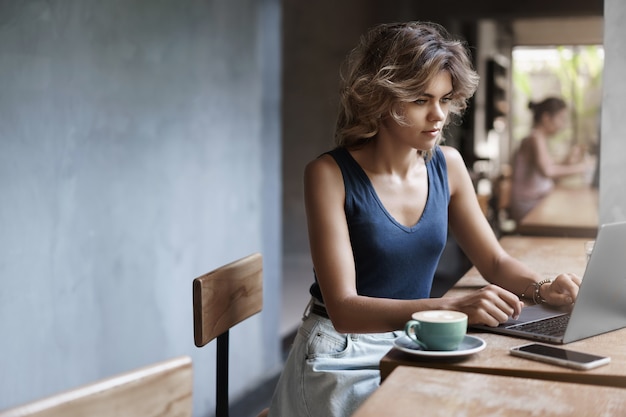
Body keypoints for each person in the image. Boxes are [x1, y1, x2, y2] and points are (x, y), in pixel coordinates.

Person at [267, 22, 581, 417]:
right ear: (381, 99)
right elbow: (344, 308)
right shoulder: (328, 175)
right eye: (420, 100)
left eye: (445, 99)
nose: (438, 115)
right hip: (342, 351)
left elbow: (495, 263)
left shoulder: (448, 166)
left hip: (418, 340)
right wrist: (451, 309)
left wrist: (541, 288)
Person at [509, 97, 594, 222]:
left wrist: (568, 161)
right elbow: (548, 171)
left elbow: (546, 166)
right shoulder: (535, 138)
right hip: (529, 204)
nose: (562, 124)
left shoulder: (538, 137)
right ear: (546, 118)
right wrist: (583, 168)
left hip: (535, 200)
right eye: (561, 118)